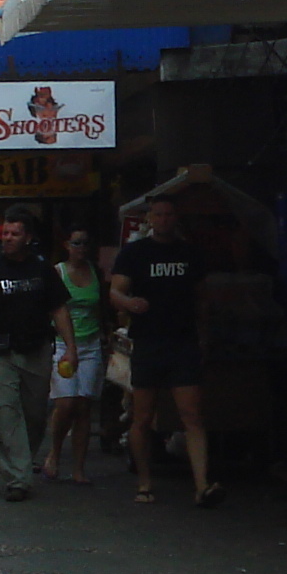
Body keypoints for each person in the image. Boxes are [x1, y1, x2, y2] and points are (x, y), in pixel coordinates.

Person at [110, 190, 215, 506]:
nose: (163, 219)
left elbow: (202, 298)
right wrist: (129, 303)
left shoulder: (190, 254)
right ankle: (144, 482)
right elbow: (115, 291)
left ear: (175, 217)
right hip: (148, 343)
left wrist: (204, 335)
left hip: (182, 342)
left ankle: (202, 485)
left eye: (168, 214)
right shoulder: (135, 253)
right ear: (149, 219)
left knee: (192, 415)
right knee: (142, 417)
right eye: (158, 215)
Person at [0, 207, 68, 501]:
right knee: (5, 411)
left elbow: (59, 308)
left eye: (15, 234)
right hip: (0, 352)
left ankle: (19, 460)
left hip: (37, 350)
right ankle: (18, 478)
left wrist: (72, 349)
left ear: (28, 237)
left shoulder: (42, 268)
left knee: (34, 415)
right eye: (5, 233)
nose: (7, 239)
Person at [45, 225, 109, 485]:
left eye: (85, 244)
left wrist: (107, 335)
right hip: (62, 344)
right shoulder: (58, 273)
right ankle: (55, 452)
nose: (81, 249)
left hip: (91, 344)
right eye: (76, 243)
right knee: (66, 403)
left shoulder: (97, 273)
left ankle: (79, 467)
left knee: (84, 405)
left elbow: (102, 306)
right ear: (66, 245)